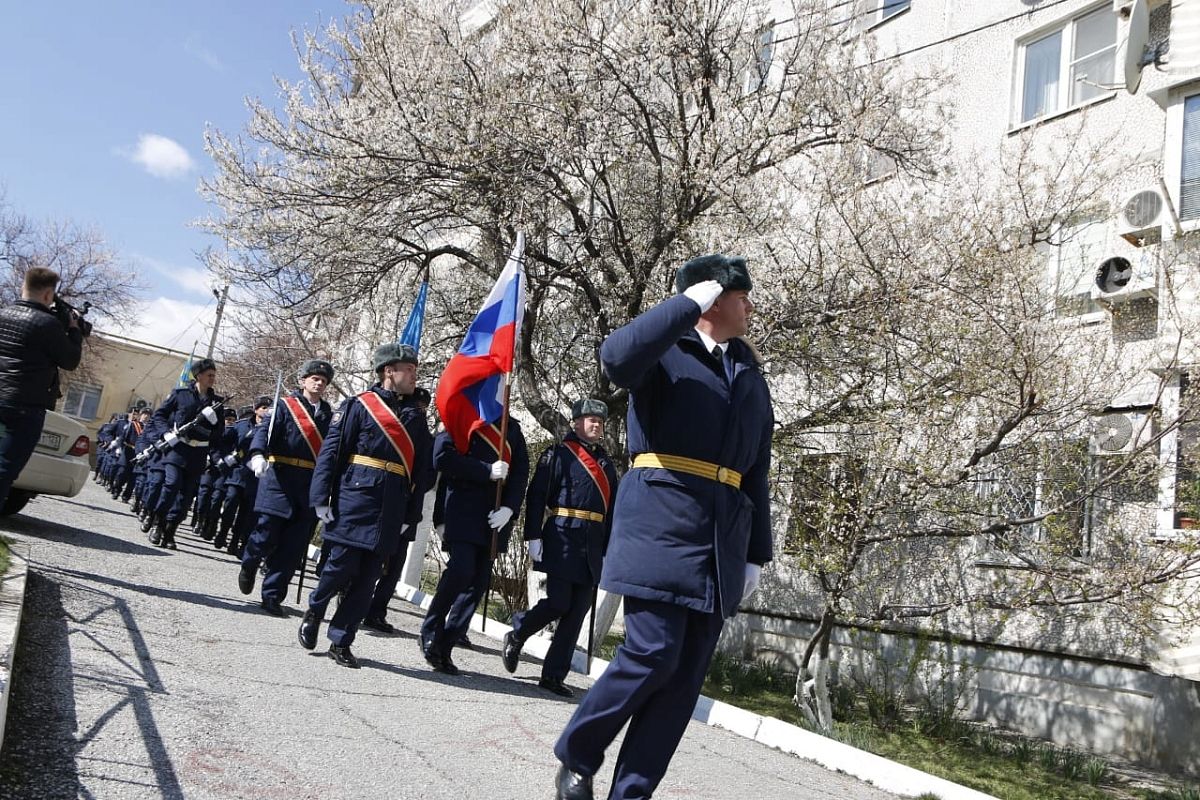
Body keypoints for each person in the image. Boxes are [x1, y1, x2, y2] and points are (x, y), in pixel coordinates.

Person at [551, 255, 774, 800]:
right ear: (714, 300)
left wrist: (755, 555)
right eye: (740, 295)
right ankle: (577, 756)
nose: (750, 306)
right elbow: (615, 357)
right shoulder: (664, 355)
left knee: (682, 681)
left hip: (721, 540)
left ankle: (632, 793)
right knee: (653, 652)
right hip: (661, 524)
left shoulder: (747, 373)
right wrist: (685, 304)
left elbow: (757, 467)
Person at [298, 344, 433, 668]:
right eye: (409, 370)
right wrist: (321, 498)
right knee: (338, 568)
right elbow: (332, 453)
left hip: (391, 507)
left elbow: (423, 471)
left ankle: (341, 640)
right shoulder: (359, 406)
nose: (415, 376)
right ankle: (316, 608)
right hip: (355, 498)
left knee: (367, 578)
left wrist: (410, 515)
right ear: (389, 372)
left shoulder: (416, 417)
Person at [502, 398, 619, 698]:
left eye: (600, 421)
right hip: (562, 535)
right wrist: (533, 537)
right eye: (591, 419)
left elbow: (613, 509)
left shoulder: (606, 463)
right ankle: (518, 631)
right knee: (558, 602)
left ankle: (553, 675)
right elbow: (537, 495)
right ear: (576, 423)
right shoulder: (557, 455)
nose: (596, 425)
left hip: (592, 542)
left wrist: (609, 548)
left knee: (576, 611)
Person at [420, 412, 529, 675]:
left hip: (494, 518)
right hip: (463, 510)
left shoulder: (511, 428)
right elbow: (442, 458)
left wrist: (510, 509)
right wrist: (486, 471)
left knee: (478, 582)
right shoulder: (463, 416)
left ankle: (446, 645)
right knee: (461, 570)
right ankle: (431, 631)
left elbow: (520, 473)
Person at [238, 361, 334, 616]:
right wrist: (257, 454)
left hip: (309, 485)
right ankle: (249, 561)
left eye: (324, 380)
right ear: (303, 381)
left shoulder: (329, 415)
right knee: (265, 534)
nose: (319, 383)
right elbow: (263, 433)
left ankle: (272, 595)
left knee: (293, 546)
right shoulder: (283, 406)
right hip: (279, 477)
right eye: (314, 378)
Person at [0, 266, 84, 509]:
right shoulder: (47, 325)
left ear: (22, 287)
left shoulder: (3, 313)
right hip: (23, 407)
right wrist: (75, 331)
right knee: (6, 468)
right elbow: (70, 360)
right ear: (49, 295)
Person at [361, 385, 433, 634]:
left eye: (424, 408)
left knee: (393, 568)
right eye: (416, 407)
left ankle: (376, 611)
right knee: (370, 560)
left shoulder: (425, 438)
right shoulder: (389, 433)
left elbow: (428, 476)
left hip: (407, 507)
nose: (420, 411)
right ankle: (354, 599)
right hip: (382, 504)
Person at [148, 359, 226, 549]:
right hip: (178, 449)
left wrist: (214, 422)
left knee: (185, 497)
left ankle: (170, 531)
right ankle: (157, 523)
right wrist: (165, 432)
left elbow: (219, 434)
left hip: (198, 453)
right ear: (198, 376)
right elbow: (159, 415)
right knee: (171, 485)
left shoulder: (217, 403)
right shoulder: (181, 395)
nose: (212, 379)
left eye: (214, 375)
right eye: (209, 375)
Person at [213, 398, 270, 554]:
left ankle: (235, 540)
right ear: (255, 409)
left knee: (247, 513)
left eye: (268, 408)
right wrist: (223, 458)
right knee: (230, 504)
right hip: (237, 473)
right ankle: (223, 532)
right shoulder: (242, 425)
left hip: (255, 477)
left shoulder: (271, 429)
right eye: (263, 407)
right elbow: (223, 441)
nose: (266, 410)